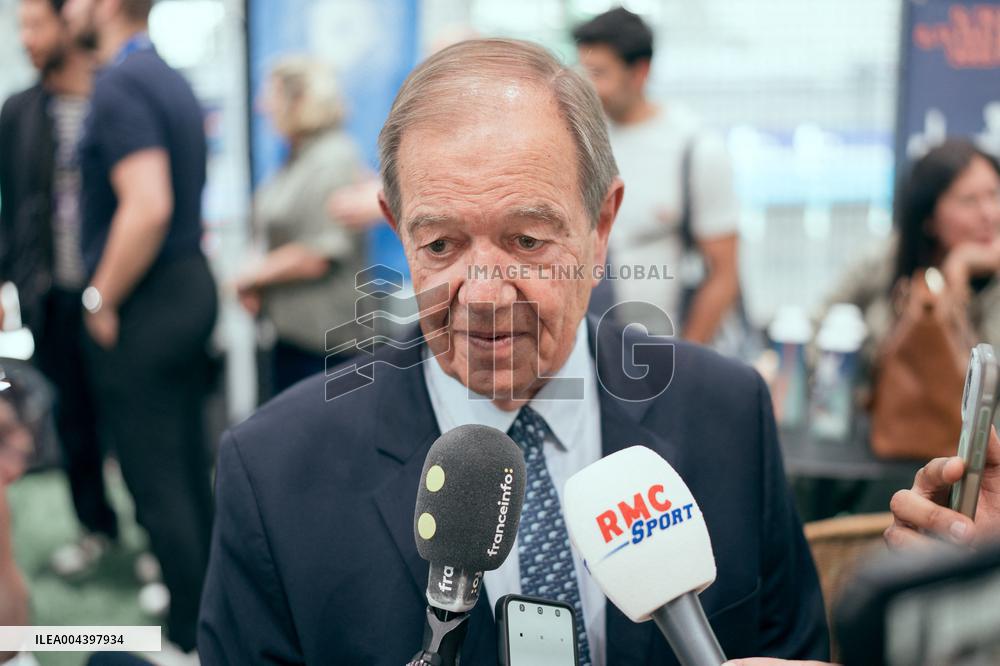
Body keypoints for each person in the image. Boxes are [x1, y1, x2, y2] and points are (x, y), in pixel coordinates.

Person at [198, 38, 828, 665]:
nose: (485, 295)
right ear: (398, 232)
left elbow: (792, 643)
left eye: (526, 240)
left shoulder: (728, 413)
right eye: (441, 245)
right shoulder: (273, 473)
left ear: (601, 225)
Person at [61, 0, 217, 653]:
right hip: (184, 288)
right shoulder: (165, 74)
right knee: (185, 466)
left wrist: (101, 297)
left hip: (147, 299)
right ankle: (206, 604)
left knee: (157, 478)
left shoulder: (122, 82)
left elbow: (148, 205)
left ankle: (189, 633)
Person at [0, 0, 120, 578]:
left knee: (131, 419)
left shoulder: (115, 96)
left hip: (117, 296)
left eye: (34, 23)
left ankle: (158, 541)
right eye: (19, 26)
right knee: (71, 420)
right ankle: (96, 528)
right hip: (51, 298)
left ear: (68, 24)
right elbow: (10, 210)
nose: (25, 37)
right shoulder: (19, 111)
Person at [573, 7, 742, 346]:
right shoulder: (578, 138)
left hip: (661, 350)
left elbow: (724, 275)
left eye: (600, 73)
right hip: (585, 349)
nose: (588, 85)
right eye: (583, 71)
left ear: (639, 72)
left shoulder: (695, 149)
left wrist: (684, 363)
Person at [237, 56, 367, 394]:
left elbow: (319, 254)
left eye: (271, 95)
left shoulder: (332, 158)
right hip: (292, 334)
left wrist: (253, 275)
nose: (261, 106)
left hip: (327, 345)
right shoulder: (297, 158)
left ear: (300, 100)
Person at [823, 138, 1000, 373]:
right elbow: (820, 325)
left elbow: (980, 384)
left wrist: (959, 273)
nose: (989, 213)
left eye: (994, 195)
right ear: (929, 217)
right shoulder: (885, 259)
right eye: (969, 201)